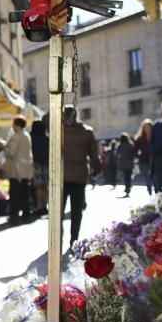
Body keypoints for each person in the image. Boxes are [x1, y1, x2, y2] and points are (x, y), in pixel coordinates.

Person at [61, 106, 101, 250]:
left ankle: (59, 236)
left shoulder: (60, 131)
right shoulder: (86, 131)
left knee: (59, 210)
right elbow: (94, 155)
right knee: (76, 210)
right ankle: (74, 239)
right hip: (79, 175)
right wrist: (96, 169)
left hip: (61, 176)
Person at [3, 116, 34, 223]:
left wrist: (4, 146)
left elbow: (11, 153)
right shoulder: (27, 135)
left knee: (15, 192)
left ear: (18, 125)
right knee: (25, 192)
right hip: (26, 168)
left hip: (17, 169)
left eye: (14, 124)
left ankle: (14, 213)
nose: (13, 126)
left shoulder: (16, 137)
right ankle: (26, 212)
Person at [29, 119, 49, 215]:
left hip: (36, 164)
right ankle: (45, 206)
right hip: (46, 164)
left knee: (38, 187)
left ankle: (39, 206)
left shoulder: (31, 138)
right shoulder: (47, 138)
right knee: (45, 186)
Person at [133, 119, 154, 195]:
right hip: (144, 161)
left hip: (154, 160)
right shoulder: (140, 138)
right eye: (145, 127)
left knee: (154, 178)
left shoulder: (155, 137)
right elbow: (135, 150)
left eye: (148, 127)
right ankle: (150, 192)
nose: (147, 129)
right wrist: (139, 156)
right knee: (147, 178)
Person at [116, 132, 135, 197]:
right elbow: (133, 154)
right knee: (128, 176)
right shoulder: (130, 144)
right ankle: (128, 187)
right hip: (130, 163)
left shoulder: (120, 145)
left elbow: (117, 154)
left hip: (123, 164)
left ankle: (127, 188)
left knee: (126, 177)